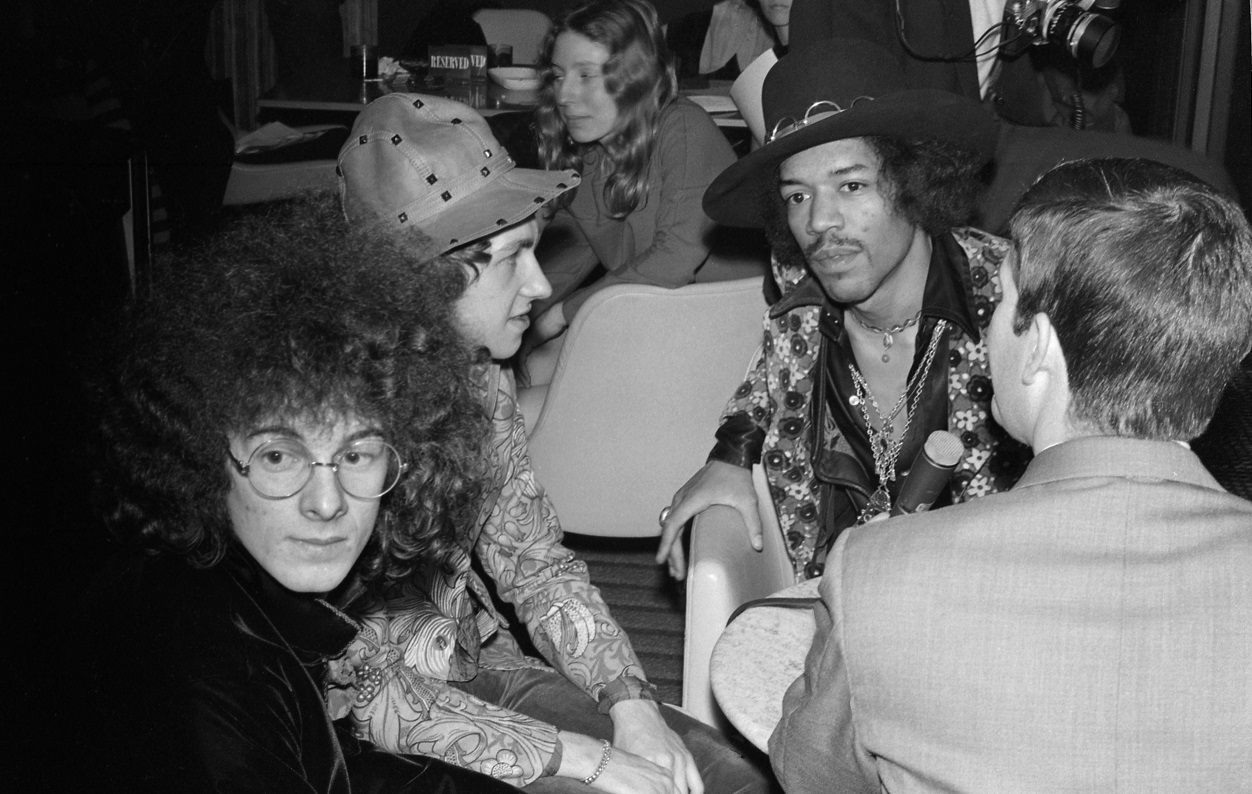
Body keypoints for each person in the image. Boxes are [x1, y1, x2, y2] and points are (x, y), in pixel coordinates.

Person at [337, 92, 774, 793]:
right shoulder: (325, 433)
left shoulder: (478, 377)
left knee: (726, 780)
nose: (541, 286)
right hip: (374, 733)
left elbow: (534, 562)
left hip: (478, 667)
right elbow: (357, 689)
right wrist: (586, 758)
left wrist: (629, 704)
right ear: (423, 281)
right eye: (513, 260)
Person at [771, 157, 1252, 792]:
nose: (990, 323)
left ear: (1041, 348)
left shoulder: (878, 572)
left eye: (1000, 300)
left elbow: (810, 773)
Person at [79, 195, 516, 792]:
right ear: (200, 456)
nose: (327, 502)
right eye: (279, 457)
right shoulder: (201, 662)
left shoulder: (259, 595)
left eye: (357, 454)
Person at [658, 39, 1030, 581]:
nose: (818, 223)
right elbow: (766, 382)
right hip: (834, 607)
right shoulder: (799, 305)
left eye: (851, 185)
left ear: (914, 182)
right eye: (798, 196)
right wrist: (729, 456)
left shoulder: (1010, 300)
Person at [528, 0, 740, 346]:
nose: (564, 95)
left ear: (635, 76)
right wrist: (518, 326)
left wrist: (562, 313)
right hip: (652, 324)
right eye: (558, 75)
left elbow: (673, 259)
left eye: (585, 75)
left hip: (726, 331)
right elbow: (565, 260)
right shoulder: (590, 157)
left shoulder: (683, 129)